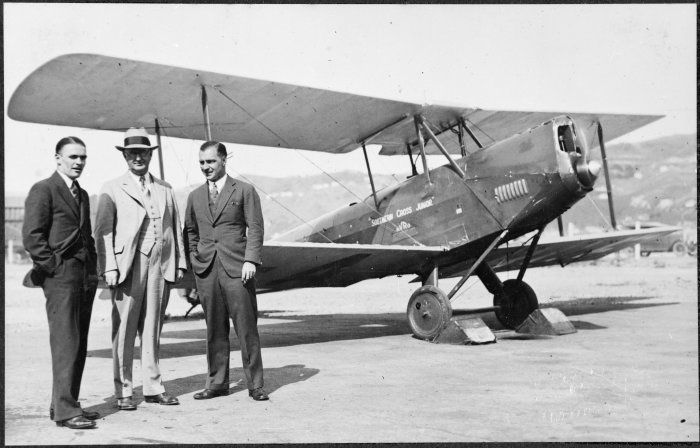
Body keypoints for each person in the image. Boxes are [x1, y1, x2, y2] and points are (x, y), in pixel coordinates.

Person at [94, 127, 186, 410]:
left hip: (161, 264)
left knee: (153, 327)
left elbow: (175, 227)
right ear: (125, 156)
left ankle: (153, 387)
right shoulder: (111, 187)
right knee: (124, 328)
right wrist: (109, 266)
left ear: (149, 155)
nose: (138, 157)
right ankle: (123, 392)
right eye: (132, 153)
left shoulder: (166, 188)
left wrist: (179, 262)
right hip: (127, 265)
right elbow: (103, 232)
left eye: (143, 152)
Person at [22, 136, 100, 429]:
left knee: (78, 343)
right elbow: (32, 236)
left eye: (83, 157)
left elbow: (87, 237)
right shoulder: (44, 189)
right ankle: (67, 412)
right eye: (73, 157)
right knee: (66, 342)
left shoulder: (82, 192)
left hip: (83, 279)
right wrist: (54, 267)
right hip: (60, 279)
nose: (79, 162)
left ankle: (66, 405)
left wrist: (92, 272)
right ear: (58, 159)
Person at [184, 141, 268, 401]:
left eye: (210, 162)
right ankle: (217, 383)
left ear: (223, 160)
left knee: (246, 328)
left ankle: (255, 385)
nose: (205, 167)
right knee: (214, 330)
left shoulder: (243, 190)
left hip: (237, 269)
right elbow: (190, 231)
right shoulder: (195, 196)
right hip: (207, 271)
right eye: (201, 163)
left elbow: (255, 227)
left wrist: (250, 260)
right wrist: (195, 260)